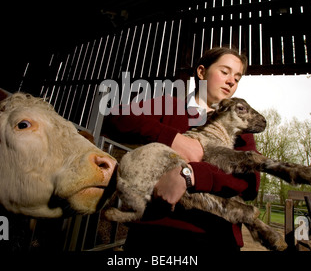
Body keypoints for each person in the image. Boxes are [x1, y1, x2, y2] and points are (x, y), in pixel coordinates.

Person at [102, 46, 260, 252]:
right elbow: (115, 118)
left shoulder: (240, 127)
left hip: (216, 237)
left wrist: (192, 174)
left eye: (237, 78)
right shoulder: (169, 106)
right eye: (225, 72)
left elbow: (250, 183)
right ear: (201, 72)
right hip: (154, 233)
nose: (232, 81)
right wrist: (172, 138)